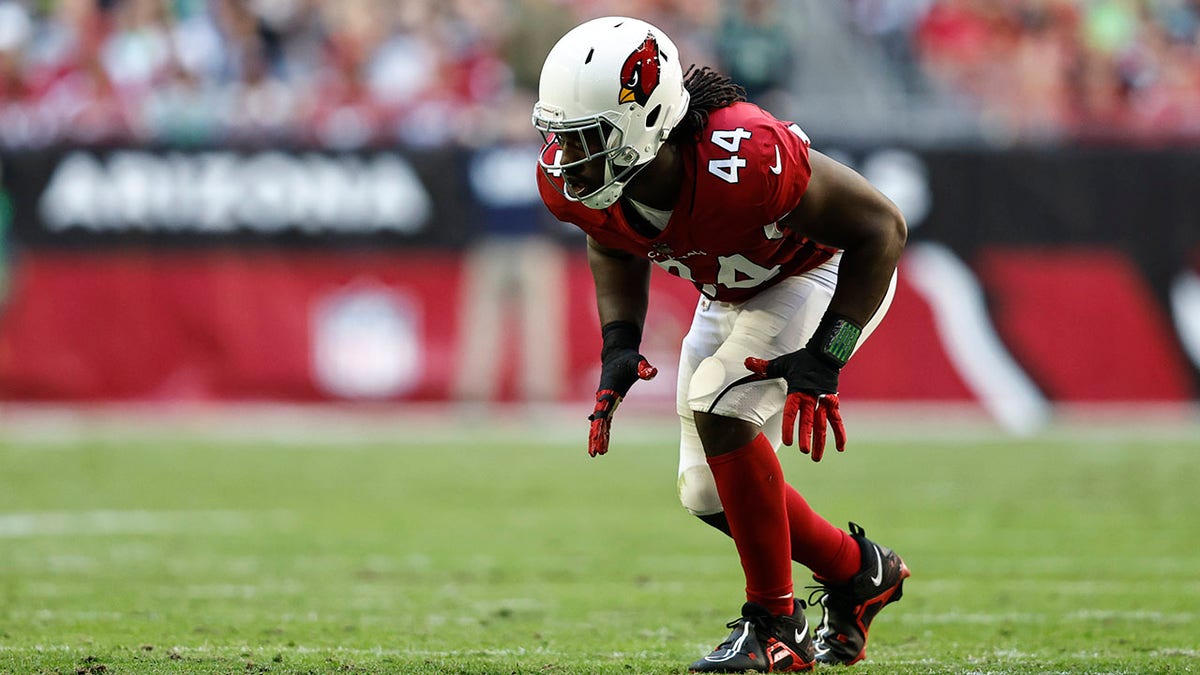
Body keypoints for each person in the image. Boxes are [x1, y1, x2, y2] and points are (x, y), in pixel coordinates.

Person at [532, 16, 909, 673]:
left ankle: (776, 625)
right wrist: (618, 341)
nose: (568, 158)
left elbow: (881, 227)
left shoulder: (744, 154)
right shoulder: (580, 184)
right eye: (562, 138)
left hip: (813, 275)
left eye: (586, 139)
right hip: (732, 292)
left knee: (720, 404)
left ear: (645, 123)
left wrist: (827, 355)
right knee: (707, 491)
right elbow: (609, 234)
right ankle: (860, 571)